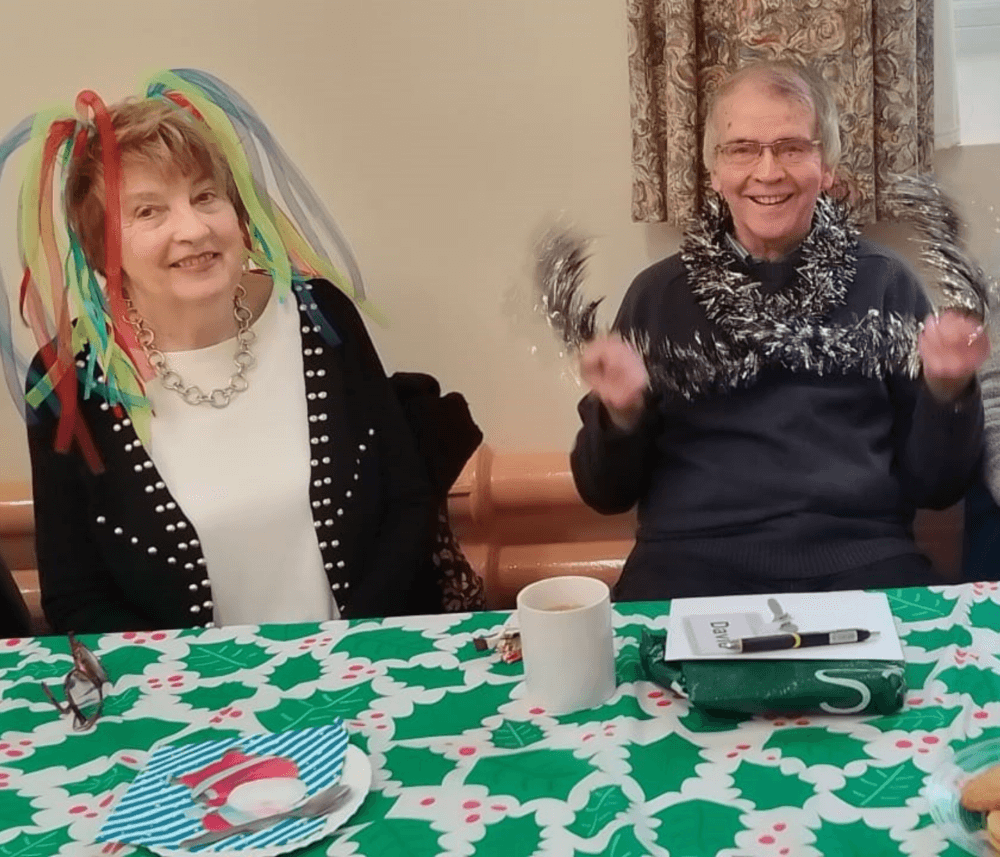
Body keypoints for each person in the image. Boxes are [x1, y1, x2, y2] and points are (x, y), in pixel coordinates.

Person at [8, 70, 441, 632]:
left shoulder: (319, 314)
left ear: (238, 215)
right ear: (99, 248)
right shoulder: (68, 379)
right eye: (149, 211)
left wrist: (342, 659)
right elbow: (76, 595)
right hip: (187, 699)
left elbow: (407, 505)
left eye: (205, 196)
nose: (192, 228)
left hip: (358, 673)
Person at [571, 60, 988, 601]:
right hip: (686, 566)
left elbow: (938, 488)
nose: (768, 172)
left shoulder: (886, 283)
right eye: (742, 149)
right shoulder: (658, 295)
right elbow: (604, 493)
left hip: (865, 560)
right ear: (715, 172)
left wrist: (947, 390)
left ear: (827, 167)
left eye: (793, 147)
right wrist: (620, 415)